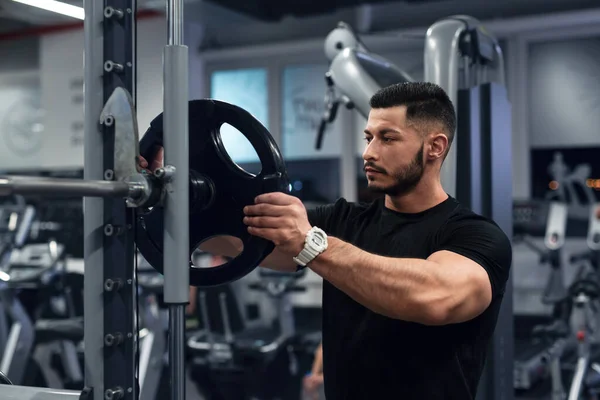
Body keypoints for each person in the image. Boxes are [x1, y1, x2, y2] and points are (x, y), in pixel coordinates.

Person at [139, 82, 513, 400]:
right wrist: (163, 195)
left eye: (387, 138)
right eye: (369, 138)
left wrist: (313, 244)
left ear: (435, 147)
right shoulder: (342, 220)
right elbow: (237, 241)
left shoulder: (475, 236)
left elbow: (435, 298)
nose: (369, 152)